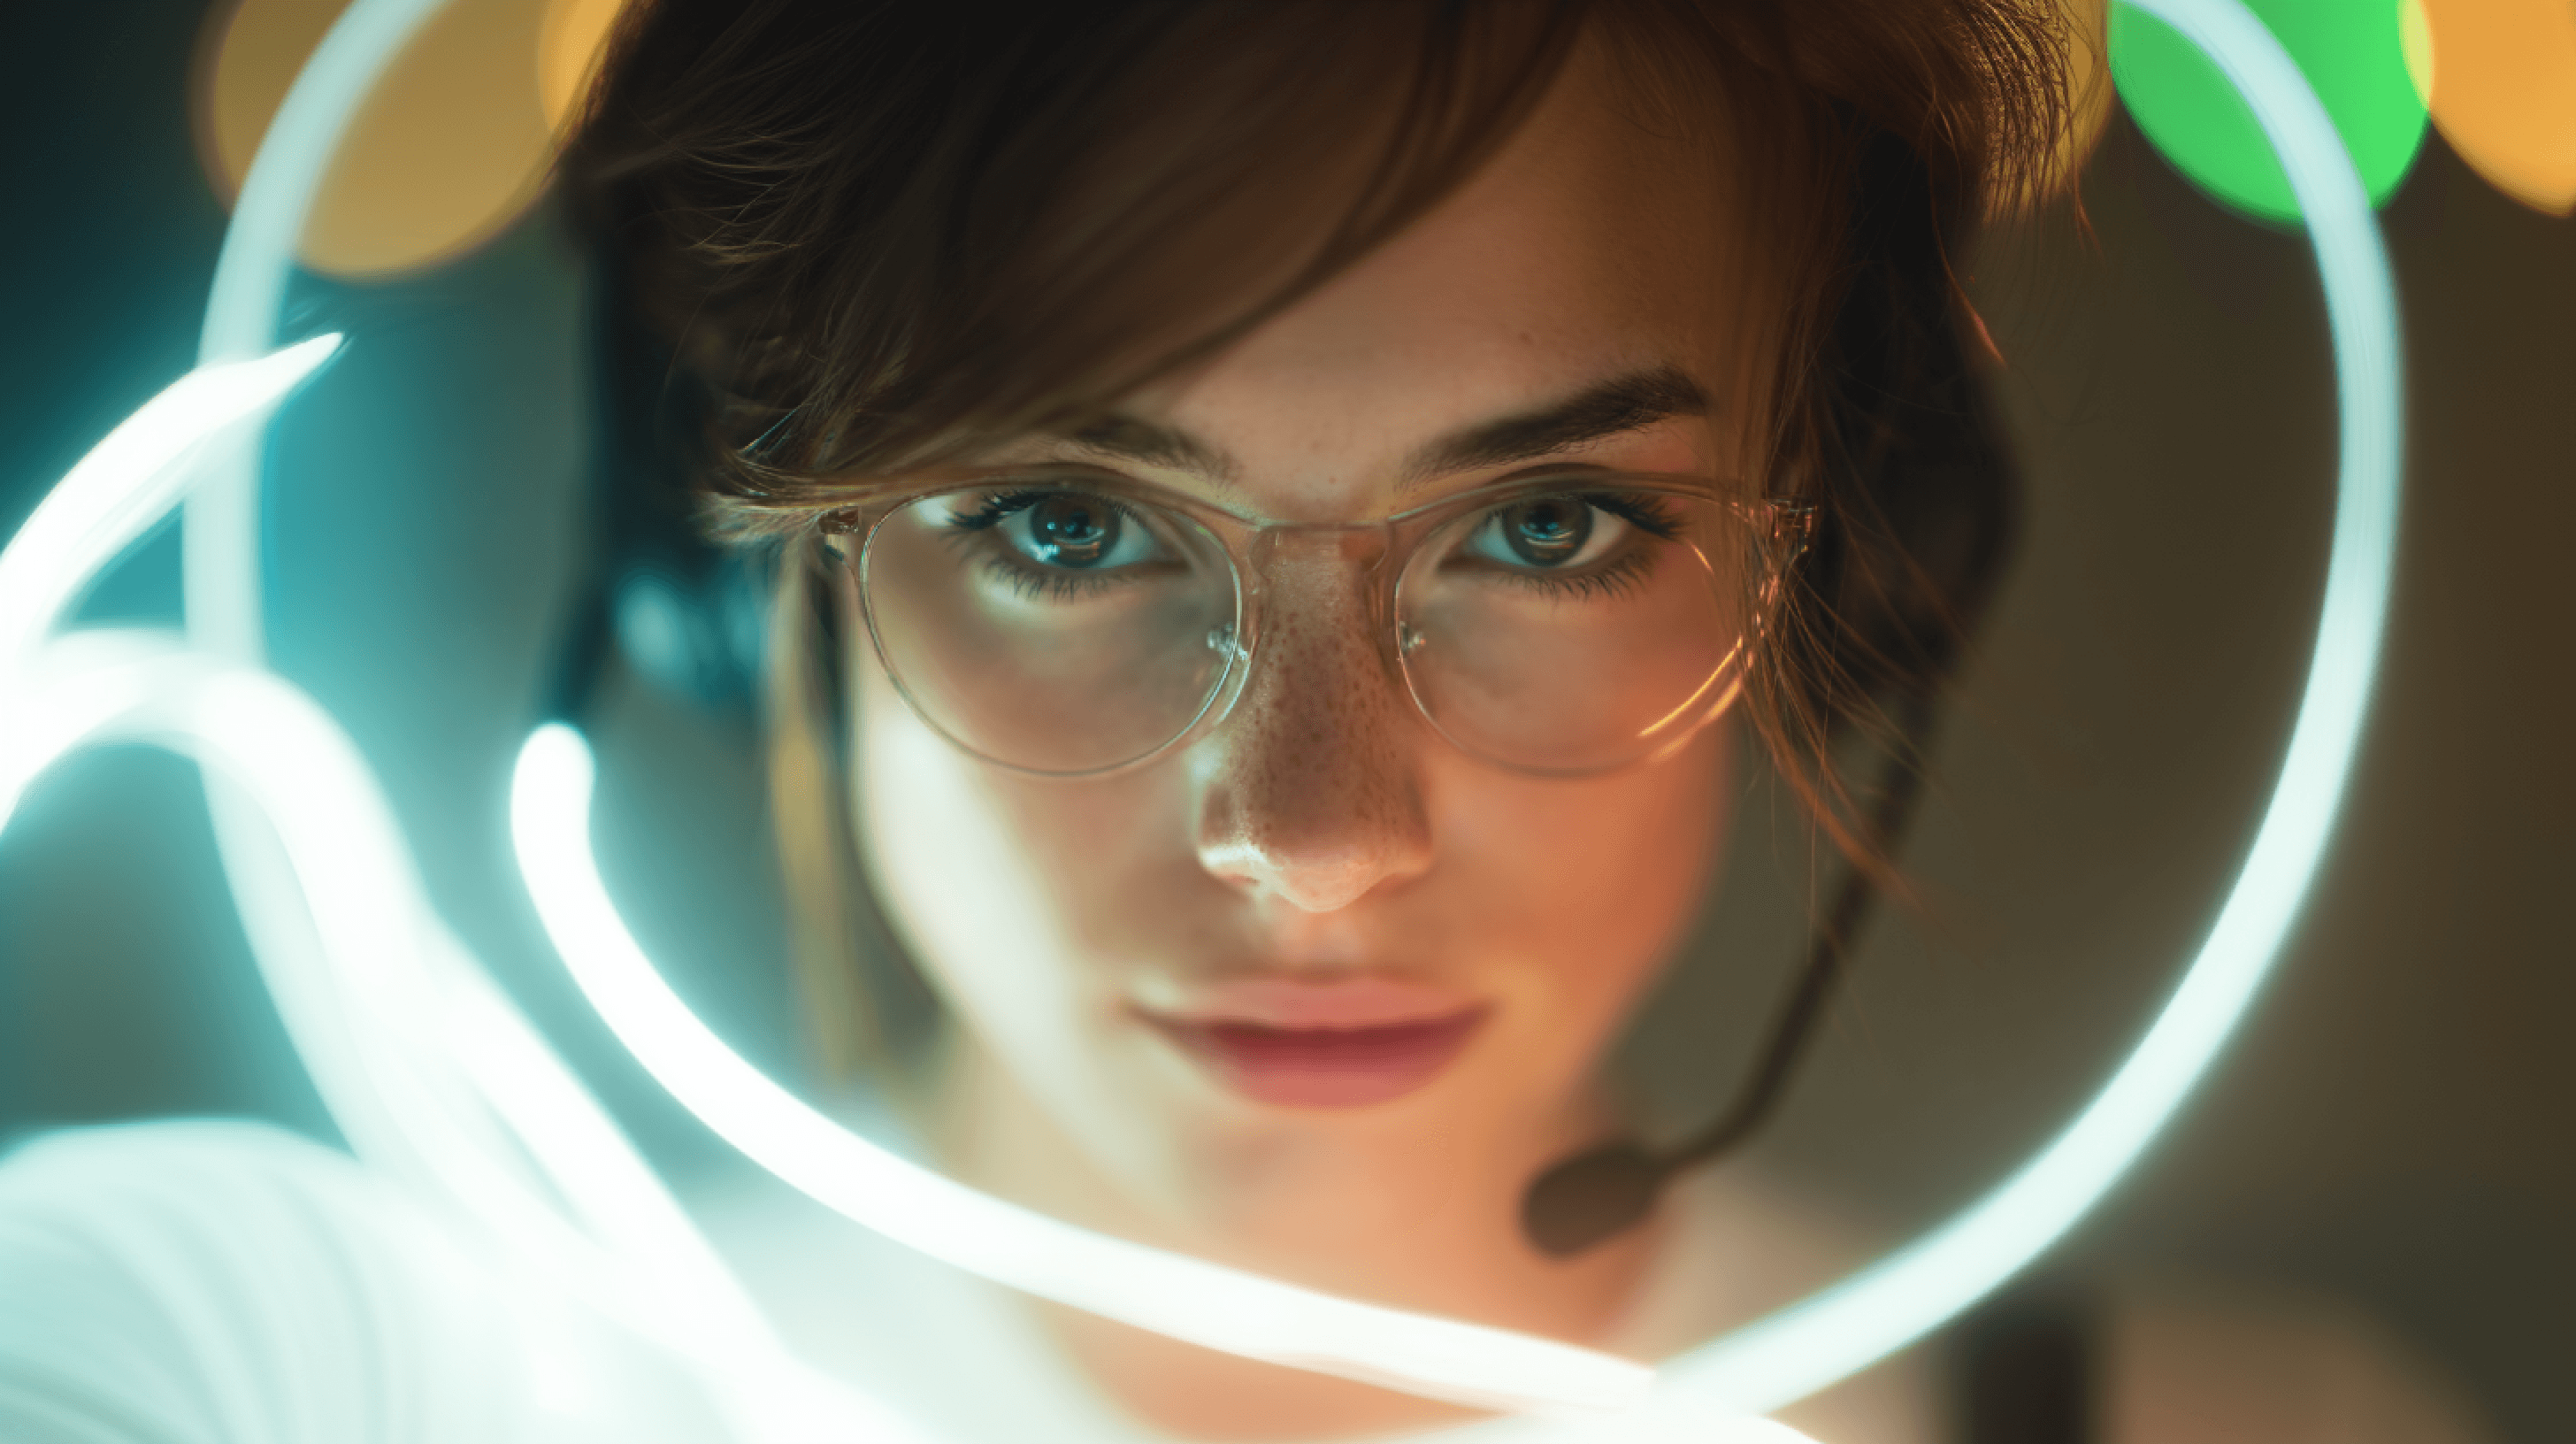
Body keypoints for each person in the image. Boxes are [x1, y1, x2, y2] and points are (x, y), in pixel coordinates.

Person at [0, 3, 2499, 1442]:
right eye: (1073, 529)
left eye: (1545, 532)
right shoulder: (355, 1371)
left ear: (1856, 556)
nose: (1316, 836)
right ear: (720, 567)